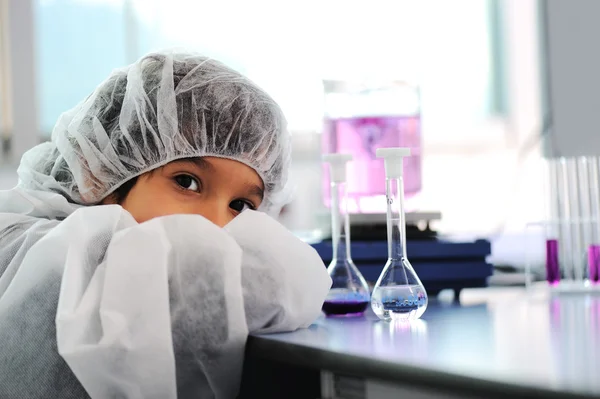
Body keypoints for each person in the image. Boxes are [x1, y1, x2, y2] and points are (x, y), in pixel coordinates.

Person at [0, 51, 331, 399]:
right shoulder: (42, 254)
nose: (215, 225)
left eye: (240, 205)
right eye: (187, 182)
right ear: (97, 173)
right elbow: (291, 282)